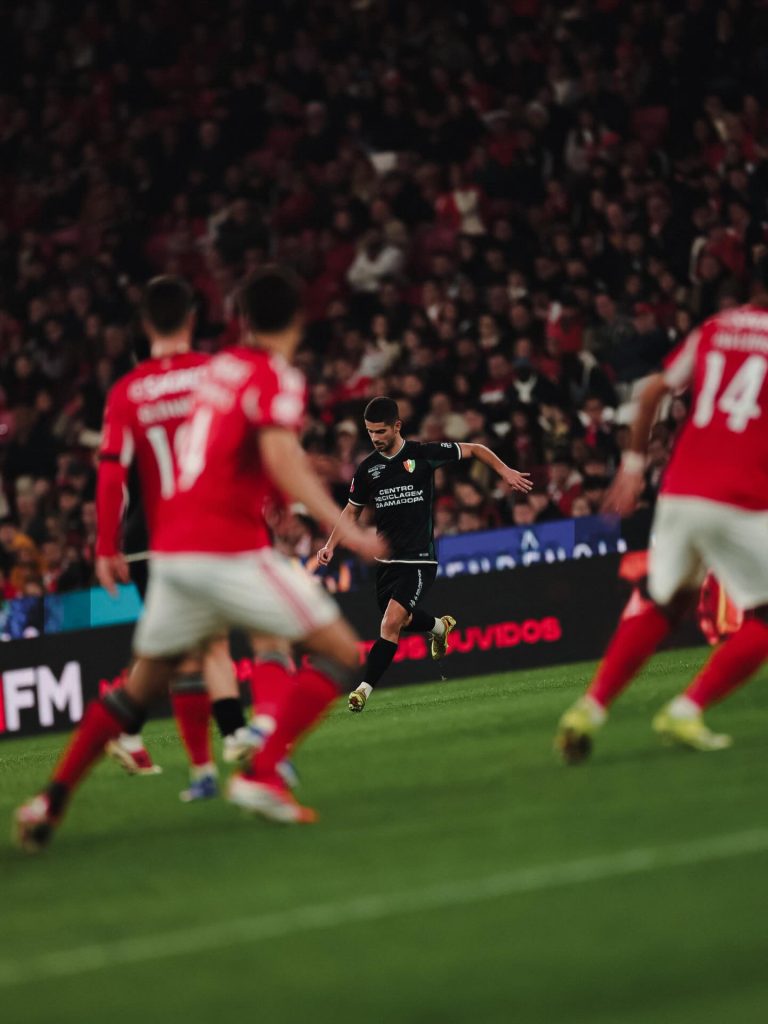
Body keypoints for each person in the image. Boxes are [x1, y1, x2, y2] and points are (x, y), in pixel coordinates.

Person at [15, 266, 384, 851]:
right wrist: (347, 529)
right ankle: (262, 767)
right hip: (228, 548)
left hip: (170, 549)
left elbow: (169, 458)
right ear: (299, 318)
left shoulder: (206, 371)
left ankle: (49, 800)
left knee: (139, 688)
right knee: (341, 653)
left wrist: (105, 545)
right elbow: (276, 454)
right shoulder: (268, 374)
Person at [556, 256, 768, 762]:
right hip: (742, 495)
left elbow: (652, 389)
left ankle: (590, 707)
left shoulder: (715, 327)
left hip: (681, 485)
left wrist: (633, 466)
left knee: (664, 600)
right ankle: (687, 709)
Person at [94, 275, 259, 800]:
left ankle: (139, 735)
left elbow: (110, 473)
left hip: (146, 536)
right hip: (190, 530)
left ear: (145, 326)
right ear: (192, 318)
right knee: (195, 644)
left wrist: (105, 545)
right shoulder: (212, 375)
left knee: (177, 645)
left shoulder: (129, 392)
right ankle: (225, 741)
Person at [317, 396, 532, 712]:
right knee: (401, 620)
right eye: (370, 432)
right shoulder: (368, 469)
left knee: (390, 623)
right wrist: (330, 545)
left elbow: (474, 449)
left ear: (397, 426)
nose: (375, 438)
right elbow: (351, 511)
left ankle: (362, 691)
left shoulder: (423, 454)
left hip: (419, 559)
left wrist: (504, 470)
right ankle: (439, 628)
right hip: (386, 563)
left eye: (380, 431)